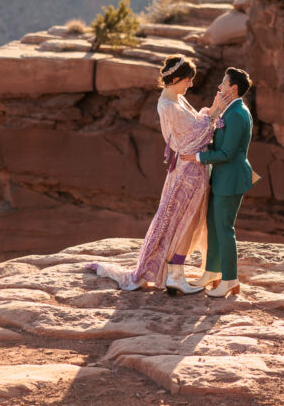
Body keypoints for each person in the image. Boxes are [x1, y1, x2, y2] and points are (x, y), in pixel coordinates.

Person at [87, 54, 228, 293]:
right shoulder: (168, 105)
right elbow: (192, 139)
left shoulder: (177, 99)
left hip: (192, 169)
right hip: (189, 173)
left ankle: (176, 274)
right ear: (174, 79)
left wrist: (210, 115)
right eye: (187, 80)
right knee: (183, 221)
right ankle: (175, 276)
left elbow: (195, 126)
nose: (190, 84)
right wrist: (215, 112)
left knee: (186, 221)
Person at [181, 67, 254, 298]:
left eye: (223, 83)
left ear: (233, 88)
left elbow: (228, 153)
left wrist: (198, 157)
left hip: (231, 180)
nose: (219, 87)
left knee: (224, 229)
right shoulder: (229, 111)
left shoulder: (238, 114)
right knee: (213, 224)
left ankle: (230, 279)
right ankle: (212, 271)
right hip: (221, 178)